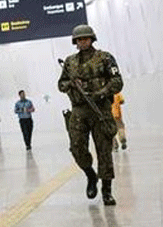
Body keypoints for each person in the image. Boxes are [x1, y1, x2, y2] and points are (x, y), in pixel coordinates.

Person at [58, 24, 122, 206]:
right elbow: (61, 85)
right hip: (79, 110)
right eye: (79, 40)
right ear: (75, 42)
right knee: (76, 147)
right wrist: (71, 83)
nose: (82, 42)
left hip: (100, 108)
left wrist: (101, 92)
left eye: (85, 38)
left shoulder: (105, 58)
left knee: (104, 151)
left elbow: (117, 81)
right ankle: (90, 175)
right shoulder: (70, 62)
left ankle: (107, 190)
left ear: (92, 39)